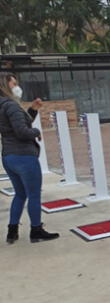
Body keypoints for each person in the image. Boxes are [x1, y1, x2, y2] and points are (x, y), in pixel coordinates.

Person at [1, 72, 59, 244]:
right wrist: (37, 132)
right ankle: (36, 230)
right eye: (14, 84)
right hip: (24, 157)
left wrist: (32, 109)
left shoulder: (3, 105)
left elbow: (17, 124)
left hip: (8, 156)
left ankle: (12, 232)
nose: (17, 87)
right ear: (6, 85)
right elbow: (22, 131)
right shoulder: (11, 105)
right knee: (33, 195)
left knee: (20, 194)